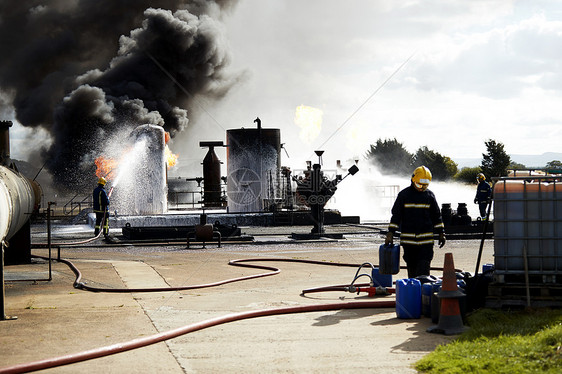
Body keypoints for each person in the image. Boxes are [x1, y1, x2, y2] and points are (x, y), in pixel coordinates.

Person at [385, 166, 446, 278]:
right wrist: (390, 233)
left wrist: (441, 232)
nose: (421, 188)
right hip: (409, 244)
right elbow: (396, 216)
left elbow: (436, 216)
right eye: (419, 184)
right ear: (413, 180)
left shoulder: (430, 196)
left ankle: (423, 294)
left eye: (425, 185)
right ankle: (413, 292)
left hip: (426, 243)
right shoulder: (403, 195)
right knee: (412, 272)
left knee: (423, 272)